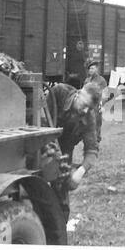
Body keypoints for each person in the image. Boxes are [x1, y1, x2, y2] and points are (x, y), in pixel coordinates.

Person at [46, 82, 101, 222]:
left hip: (65, 150)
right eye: (84, 105)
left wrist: (80, 171)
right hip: (44, 142)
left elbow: (92, 149)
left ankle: (59, 230)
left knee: (62, 195)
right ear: (78, 94)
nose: (85, 111)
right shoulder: (58, 93)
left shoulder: (89, 117)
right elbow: (41, 121)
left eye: (89, 108)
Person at [84, 61, 108, 143]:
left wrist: (102, 104)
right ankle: (90, 139)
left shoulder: (101, 80)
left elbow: (105, 93)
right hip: (88, 105)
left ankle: (97, 139)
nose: (90, 70)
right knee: (88, 122)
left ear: (96, 69)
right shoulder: (87, 80)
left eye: (92, 68)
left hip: (97, 105)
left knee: (97, 123)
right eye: (89, 69)